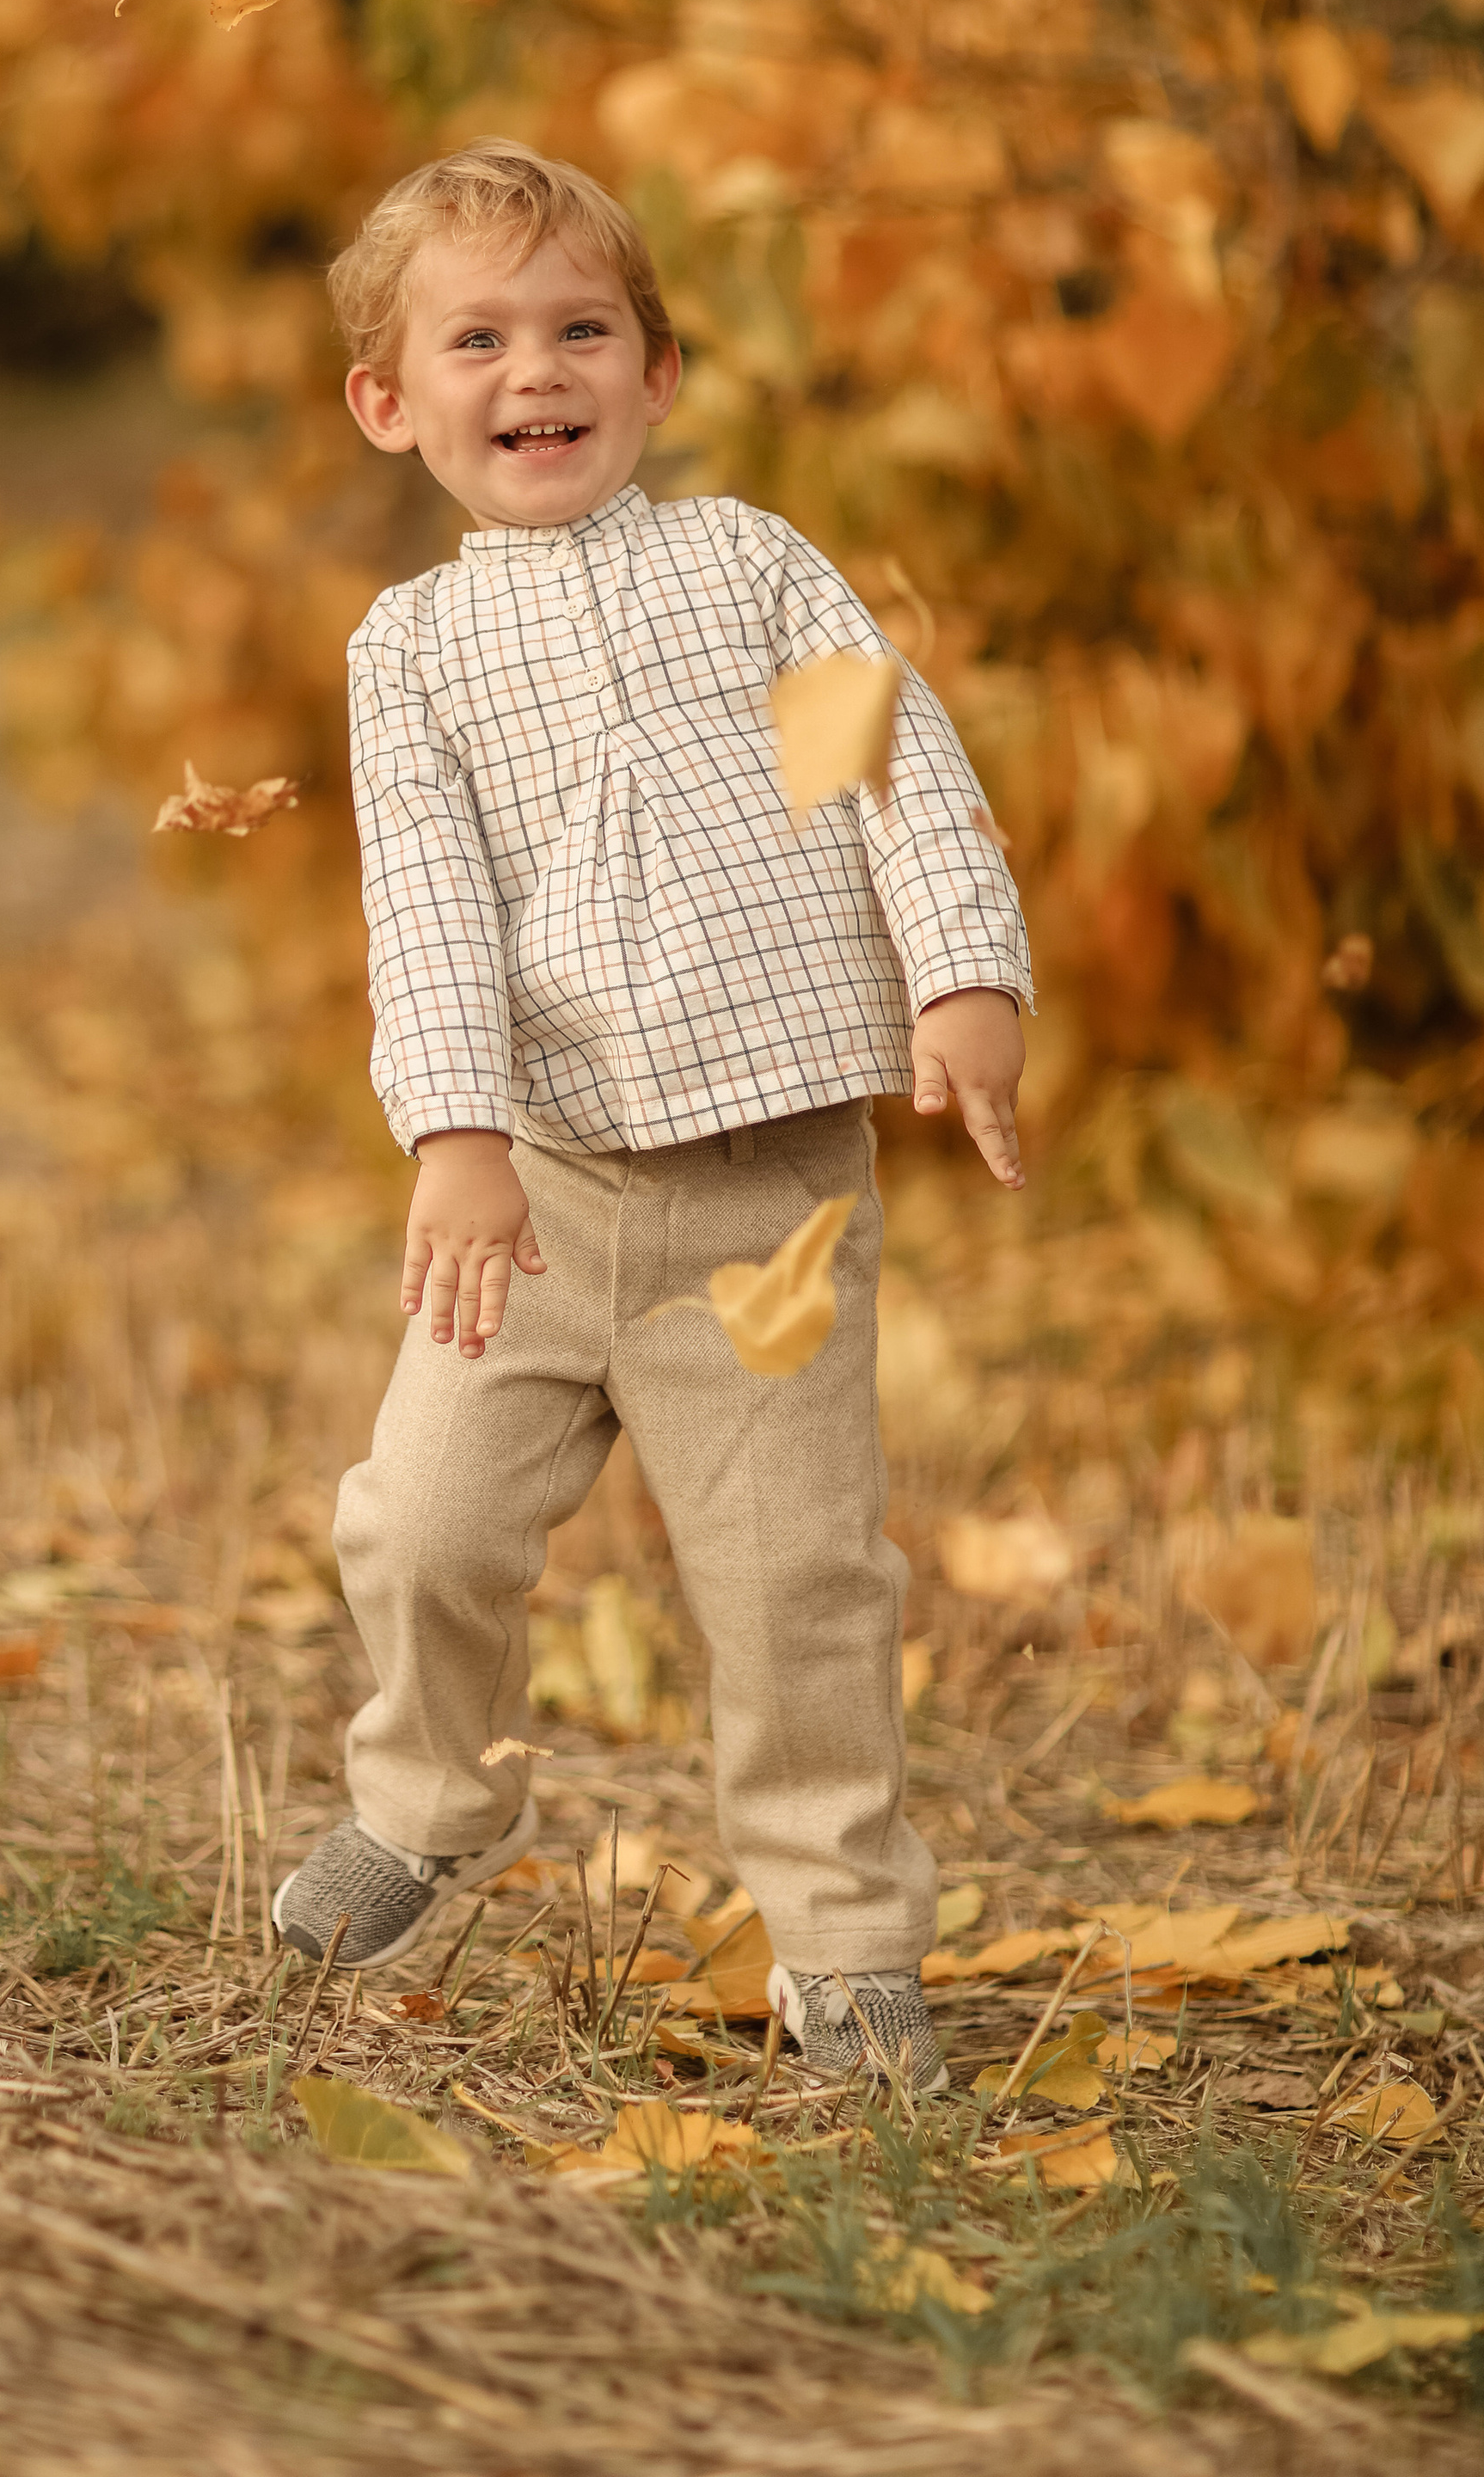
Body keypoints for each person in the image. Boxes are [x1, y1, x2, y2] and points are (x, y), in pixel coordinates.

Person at [270, 139, 1031, 2092]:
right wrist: (454, 1135)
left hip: (769, 1203)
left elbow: (888, 761)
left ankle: (842, 1938)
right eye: (477, 340)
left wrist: (963, 970)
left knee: (795, 1589)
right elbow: (425, 902)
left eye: (581, 330)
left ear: (658, 372)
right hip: (528, 1193)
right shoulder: (409, 652)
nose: (536, 370)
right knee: (421, 1521)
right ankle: (427, 1801)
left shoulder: (749, 567)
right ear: (388, 403)